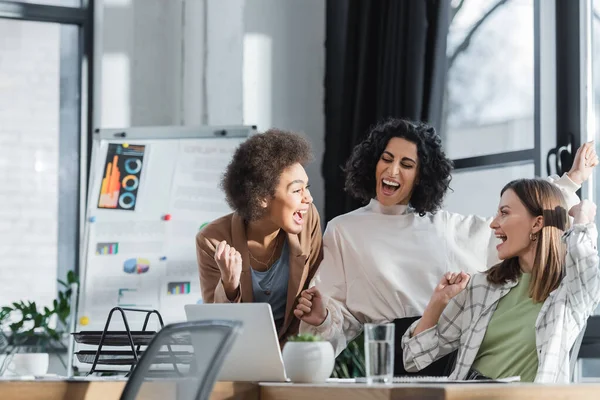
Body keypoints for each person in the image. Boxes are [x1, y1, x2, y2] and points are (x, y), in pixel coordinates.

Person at [294, 118, 596, 358]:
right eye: (386, 158)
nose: (392, 169)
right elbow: (335, 319)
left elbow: (517, 224)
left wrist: (571, 181)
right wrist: (321, 318)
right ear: (373, 162)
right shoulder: (344, 230)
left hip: (449, 352)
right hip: (389, 357)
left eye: (407, 165)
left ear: (422, 177)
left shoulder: (445, 226)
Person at [401, 180, 600, 383]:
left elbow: (585, 262)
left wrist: (583, 218)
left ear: (537, 223)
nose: (493, 223)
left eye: (504, 213)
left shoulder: (568, 295)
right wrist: (438, 302)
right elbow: (413, 358)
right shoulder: (481, 286)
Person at [196, 129, 323, 344]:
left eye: (307, 188)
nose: (308, 198)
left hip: (294, 357)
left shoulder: (307, 220)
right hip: (239, 357)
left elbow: (316, 294)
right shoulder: (212, 240)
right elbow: (215, 327)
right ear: (262, 197)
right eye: (297, 190)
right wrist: (229, 285)